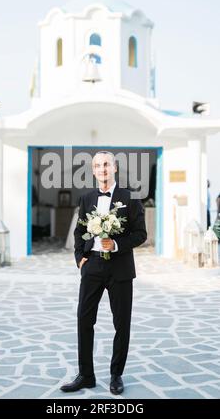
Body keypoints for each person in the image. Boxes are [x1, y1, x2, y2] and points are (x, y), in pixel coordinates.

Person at [60, 151, 147, 395]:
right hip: (93, 268)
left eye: (107, 164)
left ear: (115, 168)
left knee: (122, 323)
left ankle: (116, 375)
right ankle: (86, 375)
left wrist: (117, 244)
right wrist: (80, 259)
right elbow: (79, 232)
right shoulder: (86, 198)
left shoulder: (130, 198)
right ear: (94, 170)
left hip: (120, 269)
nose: (103, 169)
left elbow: (141, 234)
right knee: (84, 320)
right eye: (98, 165)